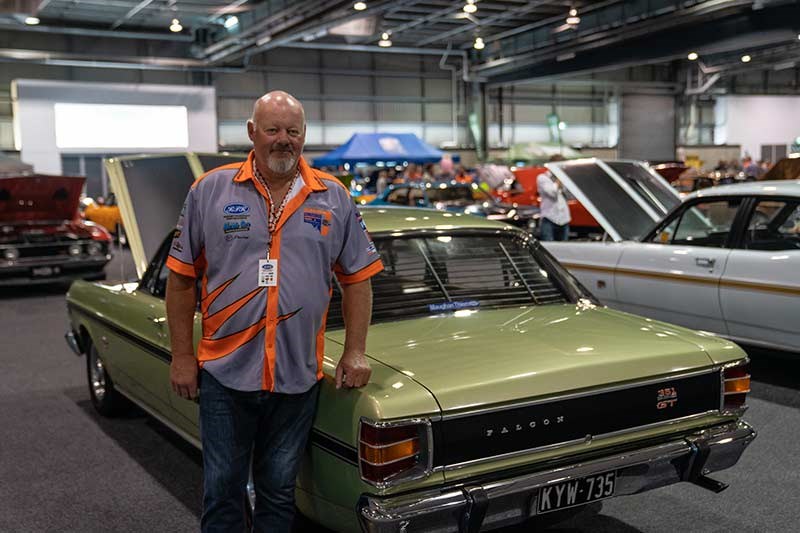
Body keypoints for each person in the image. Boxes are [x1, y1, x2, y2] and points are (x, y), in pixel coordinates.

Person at [165, 90, 383, 533]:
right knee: (222, 490)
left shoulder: (333, 197)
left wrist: (355, 351)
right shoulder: (210, 190)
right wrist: (183, 356)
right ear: (252, 132)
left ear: (304, 136)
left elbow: (358, 278)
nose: (283, 139)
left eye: (293, 131)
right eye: (272, 129)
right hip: (225, 373)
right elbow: (181, 277)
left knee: (280, 492)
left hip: (296, 377)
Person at [536, 169, 571, 241]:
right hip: (549, 218)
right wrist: (558, 180)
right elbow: (552, 193)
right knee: (549, 248)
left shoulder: (564, 177)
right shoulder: (543, 177)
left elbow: (570, 195)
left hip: (564, 218)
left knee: (564, 248)